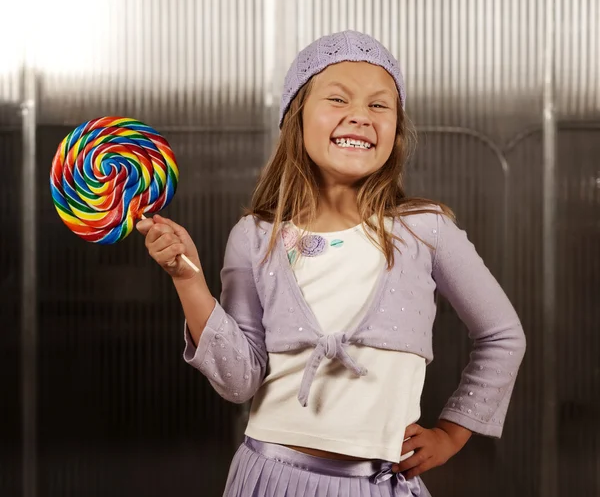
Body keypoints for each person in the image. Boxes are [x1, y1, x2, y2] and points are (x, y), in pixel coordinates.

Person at [136, 30, 526, 497]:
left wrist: (452, 433)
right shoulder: (256, 237)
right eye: (338, 99)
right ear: (296, 118)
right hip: (269, 477)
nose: (360, 116)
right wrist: (187, 278)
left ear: (396, 130)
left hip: (378, 485)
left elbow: (503, 336)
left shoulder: (426, 230)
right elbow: (239, 381)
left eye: (380, 106)